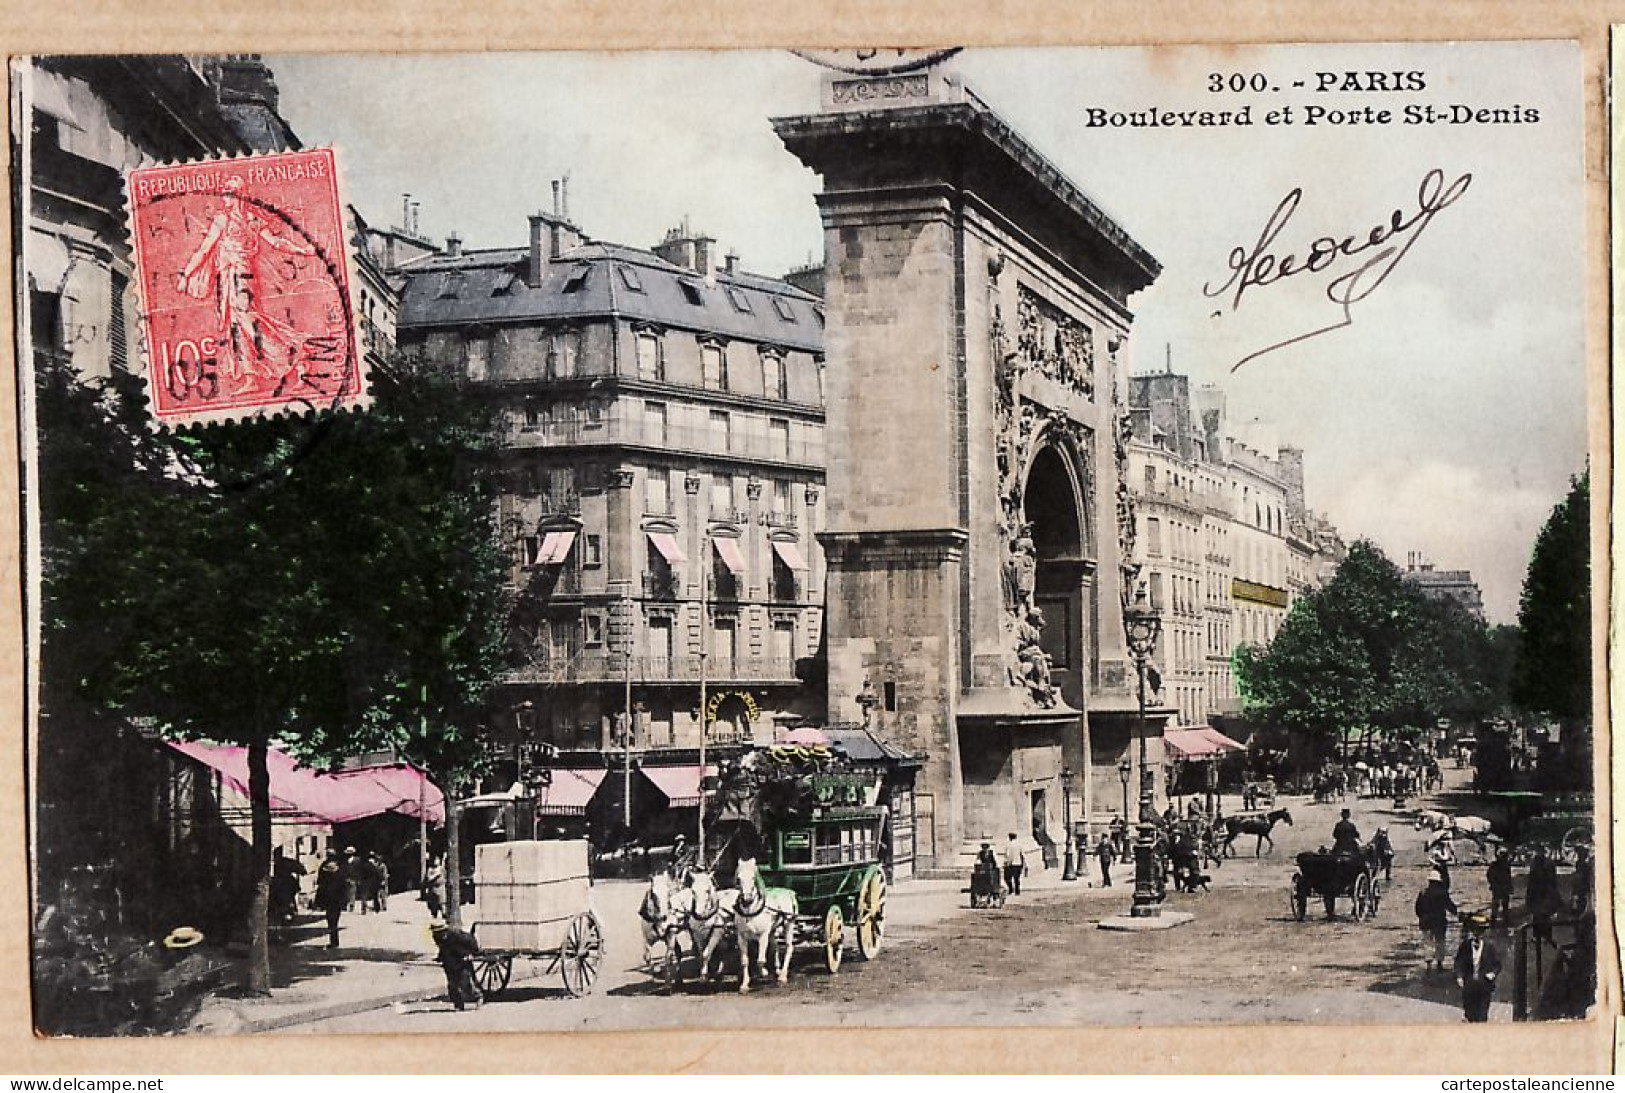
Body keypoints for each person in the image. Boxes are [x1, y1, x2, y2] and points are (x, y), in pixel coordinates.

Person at [1454, 913, 1502, 1022]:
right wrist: (1459, 977)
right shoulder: (1465, 946)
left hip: (1484, 985)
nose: (1477, 934)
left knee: (1482, 1015)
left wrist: (1492, 974)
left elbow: (1497, 964)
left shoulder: (1489, 947)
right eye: (1475, 931)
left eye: (1480, 931)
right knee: (1470, 1014)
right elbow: (1458, 962)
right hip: (1469, 985)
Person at [430, 921, 483, 1011]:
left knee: (465, 983)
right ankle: (458, 1004)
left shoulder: (458, 936)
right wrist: (440, 957)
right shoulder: (437, 937)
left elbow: (471, 941)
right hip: (449, 963)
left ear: (445, 930)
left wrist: (473, 953)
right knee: (452, 985)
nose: (437, 934)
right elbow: (442, 949)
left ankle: (478, 996)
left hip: (462, 962)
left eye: (439, 932)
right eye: (435, 932)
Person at [1414, 876, 1459, 974]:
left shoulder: (1423, 892)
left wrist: (1422, 917)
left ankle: (1429, 962)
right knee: (1440, 941)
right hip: (1439, 921)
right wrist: (1456, 913)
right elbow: (1449, 906)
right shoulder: (1442, 893)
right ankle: (1439, 962)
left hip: (1426, 921)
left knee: (1427, 942)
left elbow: (1417, 908)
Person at [1527, 845, 1562, 948]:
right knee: (1544, 916)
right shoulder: (1548, 863)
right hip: (1544, 893)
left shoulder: (1535, 864)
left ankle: (1539, 936)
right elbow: (1553, 880)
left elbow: (1531, 881)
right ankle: (1545, 936)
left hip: (1539, 893)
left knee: (1539, 915)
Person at [313, 849, 348, 949]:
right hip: (337, 898)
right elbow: (343, 884)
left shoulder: (323, 867)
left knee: (330, 919)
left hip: (328, 898)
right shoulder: (340, 868)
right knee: (335, 919)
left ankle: (333, 940)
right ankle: (334, 940)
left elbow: (320, 882)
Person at [1486, 848, 1514, 923]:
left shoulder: (1500, 865)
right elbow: (1490, 875)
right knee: (1500, 903)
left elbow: (1508, 877)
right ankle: (1498, 918)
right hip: (1499, 886)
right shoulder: (1499, 865)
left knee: (1501, 903)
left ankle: (1498, 918)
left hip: (1500, 886)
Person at [1002, 832, 1025, 896]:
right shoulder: (1019, 844)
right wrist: (1023, 864)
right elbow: (1022, 854)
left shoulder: (1008, 845)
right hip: (1018, 863)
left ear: (1009, 837)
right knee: (1016, 878)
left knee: (1007, 878)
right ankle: (1017, 891)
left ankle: (1011, 889)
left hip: (1011, 864)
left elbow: (1008, 855)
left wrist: (1006, 863)